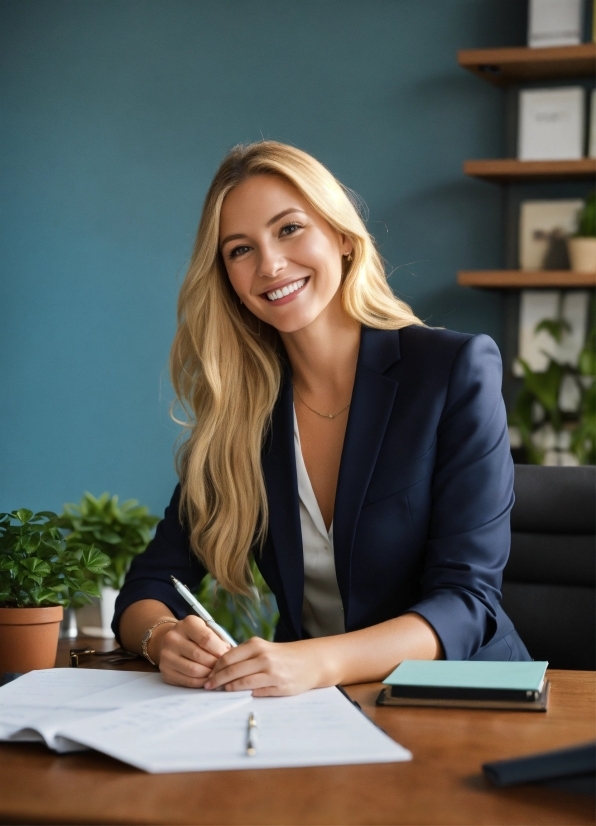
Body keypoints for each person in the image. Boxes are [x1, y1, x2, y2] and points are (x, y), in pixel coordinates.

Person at [114, 141, 530, 696]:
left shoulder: (452, 370)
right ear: (228, 280)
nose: (270, 265)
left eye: (289, 229)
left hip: (463, 701)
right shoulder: (242, 415)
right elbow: (148, 585)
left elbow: (468, 602)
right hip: (311, 712)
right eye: (240, 250)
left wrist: (316, 663)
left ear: (340, 234)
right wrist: (164, 638)